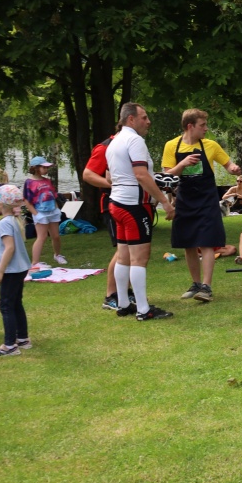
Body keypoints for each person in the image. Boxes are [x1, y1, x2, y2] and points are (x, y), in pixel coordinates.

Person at [161, 108, 242, 304]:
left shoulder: (210, 145)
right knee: (188, 243)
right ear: (190, 126)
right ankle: (196, 284)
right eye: (202, 125)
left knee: (207, 241)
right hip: (185, 200)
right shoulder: (171, 146)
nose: (206, 128)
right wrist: (183, 164)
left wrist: (234, 169)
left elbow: (228, 165)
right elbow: (166, 176)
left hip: (207, 200)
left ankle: (206, 287)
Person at [107, 102, 176, 320]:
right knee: (139, 258)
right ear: (131, 119)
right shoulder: (135, 140)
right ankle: (143, 309)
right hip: (133, 206)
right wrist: (164, 202)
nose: (148, 122)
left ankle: (123, 303)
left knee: (123, 256)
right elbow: (140, 175)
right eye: (144, 117)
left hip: (116, 203)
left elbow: (111, 177)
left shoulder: (114, 142)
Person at [82, 127, 137, 312]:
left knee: (130, 249)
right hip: (112, 203)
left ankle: (125, 291)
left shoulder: (129, 145)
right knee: (122, 250)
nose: (148, 122)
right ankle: (111, 295)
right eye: (143, 118)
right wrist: (113, 184)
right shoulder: (105, 147)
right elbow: (88, 174)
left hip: (129, 202)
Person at [0, 184, 33, 357]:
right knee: (15, 302)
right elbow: (8, 247)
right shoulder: (14, 220)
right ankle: (22, 338)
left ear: (1, 204)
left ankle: (9, 345)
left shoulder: (5, 223)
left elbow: (10, 248)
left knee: (6, 305)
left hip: (11, 270)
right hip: (20, 268)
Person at [23, 156, 66, 267]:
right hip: (40, 212)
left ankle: (57, 255)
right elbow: (27, 201)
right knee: (42, 237)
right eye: (44, 167)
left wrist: (57, 209)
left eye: (47, 167)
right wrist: (36, 214)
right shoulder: (29, 182)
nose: (46, 169)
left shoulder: (47, 181)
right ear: (36, 168)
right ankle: (35, 262)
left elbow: (53, 195)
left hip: (53, 211)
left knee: (56, 236)